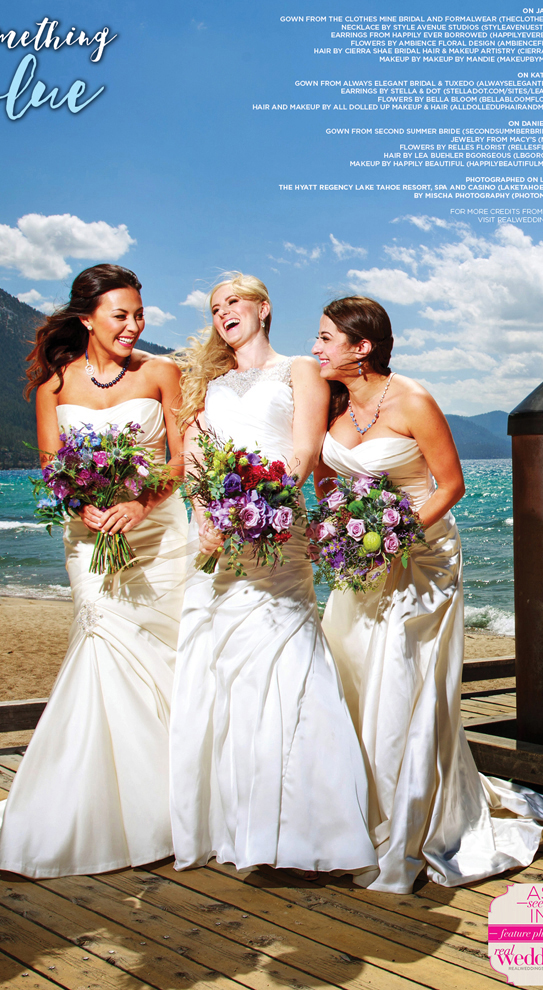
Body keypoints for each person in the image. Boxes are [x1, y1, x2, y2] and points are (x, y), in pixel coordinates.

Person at [312, 295, 543, 895]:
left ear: (362, 347)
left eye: (326, 337)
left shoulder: (413, 400)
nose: (317, 348)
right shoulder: (331, 401)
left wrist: (394, 539)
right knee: (351, 676)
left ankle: (405, 823)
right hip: (358, 564)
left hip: (420, 560)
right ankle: (353, 815)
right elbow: (328, 481)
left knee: (401, 682)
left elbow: (450, 484)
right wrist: (342, 530)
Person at [0, 264, 189, 877]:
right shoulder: (54, 384)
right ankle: (99, 810)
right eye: (121, 315)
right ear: (87, 318)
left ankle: (170, 803)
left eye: (139, 314)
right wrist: (82, 505)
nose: (133, 325)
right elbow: (53, 468)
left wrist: (139, 502)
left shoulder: (161, 373)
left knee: (164, 655)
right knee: (102, 643)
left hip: (157, 536)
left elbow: (182, 459)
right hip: (89, 540)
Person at [169, 273, 377, 874]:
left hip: (278, 530)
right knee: (230, 674)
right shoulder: (207, 385)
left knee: (290, 663)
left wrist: (260, 506)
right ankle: (244, 827)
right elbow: (195, 462)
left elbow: (305, 451)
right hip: (220, 542)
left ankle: (314, 829)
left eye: (233, 302)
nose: (223, 313)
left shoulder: (300, 369)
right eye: (215, 308)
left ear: (263, 309)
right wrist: (208, 517)